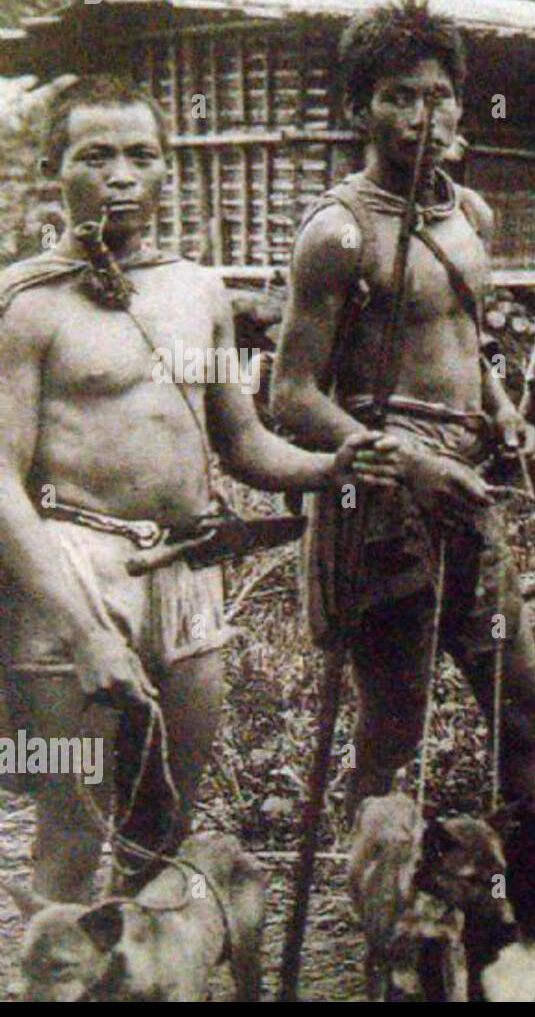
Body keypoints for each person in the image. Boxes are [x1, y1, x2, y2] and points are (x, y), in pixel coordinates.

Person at [0, 75, 388, 902]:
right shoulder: (25, 306)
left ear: (168, 169)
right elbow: (0, 480)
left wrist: (331, 467)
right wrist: (83, 632)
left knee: (163, 828)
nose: (122, 176)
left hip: (187, 576)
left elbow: (239, 441)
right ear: (49, 168)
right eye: (95, 156)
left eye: (143, 156)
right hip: (73, 573)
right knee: (73, 831)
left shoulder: (198, 292)